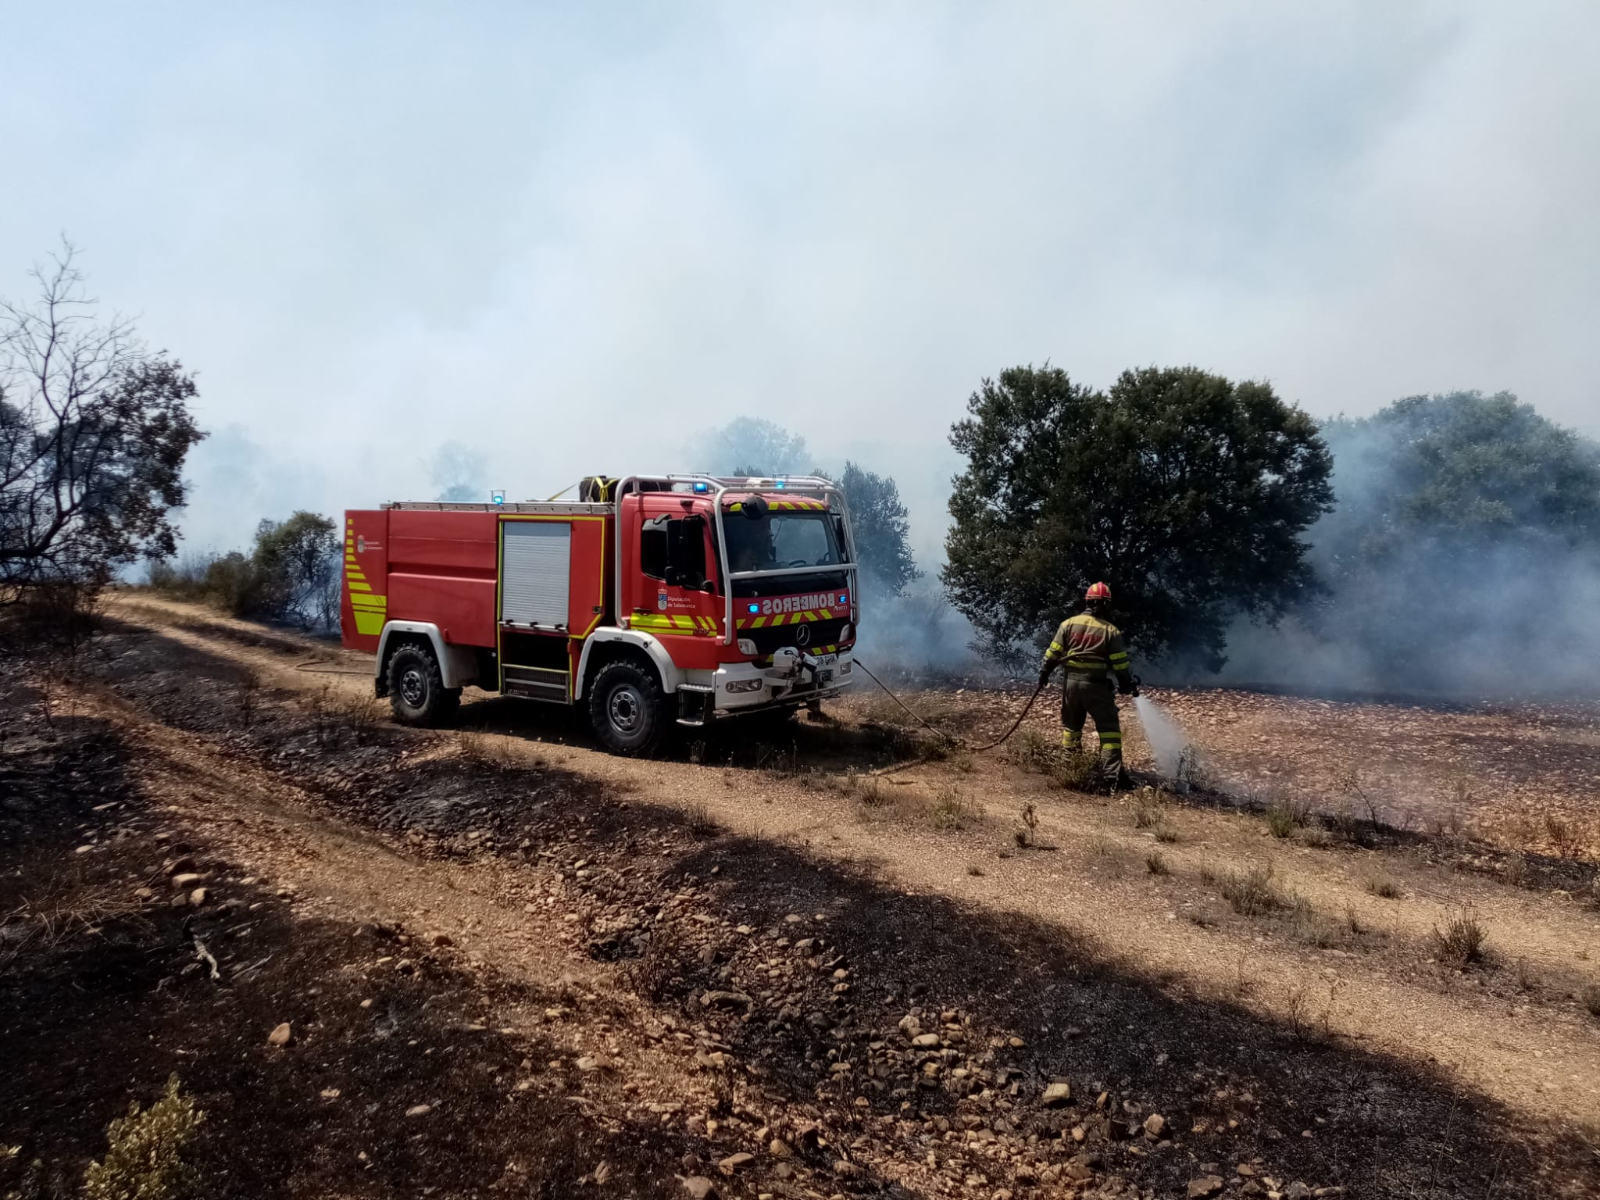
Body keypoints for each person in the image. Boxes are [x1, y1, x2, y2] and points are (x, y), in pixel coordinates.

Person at [1038, 582, 1138, 788]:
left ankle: (1069, 768)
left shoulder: (1068, 624)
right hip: (1096, 686)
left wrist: (1044, 675)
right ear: (1105, 605)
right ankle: (1112, 777)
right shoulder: (1110, 631)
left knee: (1071, 727)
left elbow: (1052, 654)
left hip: (1071, 684)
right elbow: (1120, 664)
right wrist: (1126, 685)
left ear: (1087, 602)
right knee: (1109, 729)